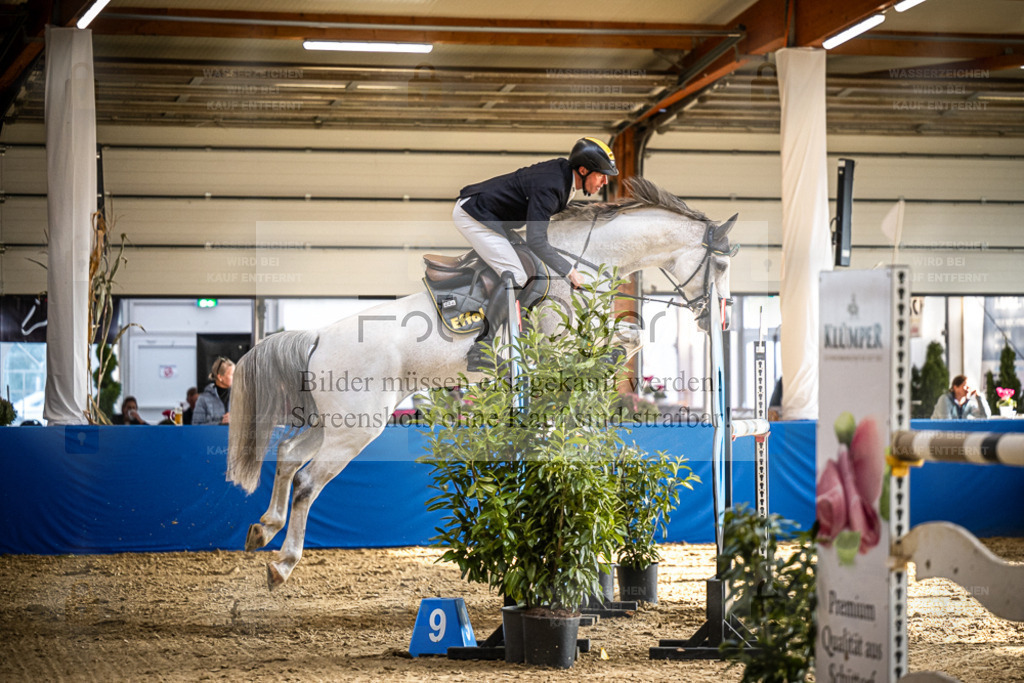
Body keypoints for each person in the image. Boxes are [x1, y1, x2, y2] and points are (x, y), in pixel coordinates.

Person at [453, 136, 619, 370]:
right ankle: (482, 348)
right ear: (583, 170)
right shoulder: (552, 184)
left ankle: (525, 338)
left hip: (494, 218)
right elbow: (536, 240)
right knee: (516, 275)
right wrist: (569, 271)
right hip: (475, 216)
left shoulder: (564, 178)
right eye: (601, 175)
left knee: (533, 271)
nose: (604, 182)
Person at [193, 358, 234, 425]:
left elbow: (251, 422)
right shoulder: (203, 399)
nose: (236, 377)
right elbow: (196, 425)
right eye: (232, 374)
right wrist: (220, 423)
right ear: (220, 377)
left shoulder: (240, 397)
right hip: (213, 435)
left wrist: (236, 420)